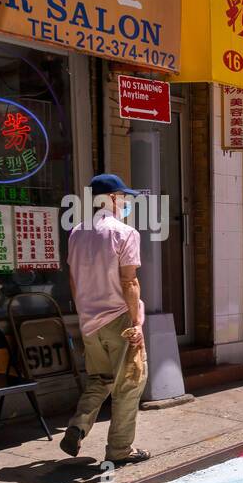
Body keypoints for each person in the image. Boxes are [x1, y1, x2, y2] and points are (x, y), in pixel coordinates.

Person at [60, 173, 150, 464]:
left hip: (89, 320)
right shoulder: (125, 233)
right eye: (123, 197)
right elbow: (129, 282)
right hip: (119, 318)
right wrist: (136, 323)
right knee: (130, 382)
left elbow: (73, 281)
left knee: (100, 379)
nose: (126, 202)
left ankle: (77, 426)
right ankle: (120, 450)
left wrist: (84, 313)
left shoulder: (76, 233)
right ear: (111, 198)